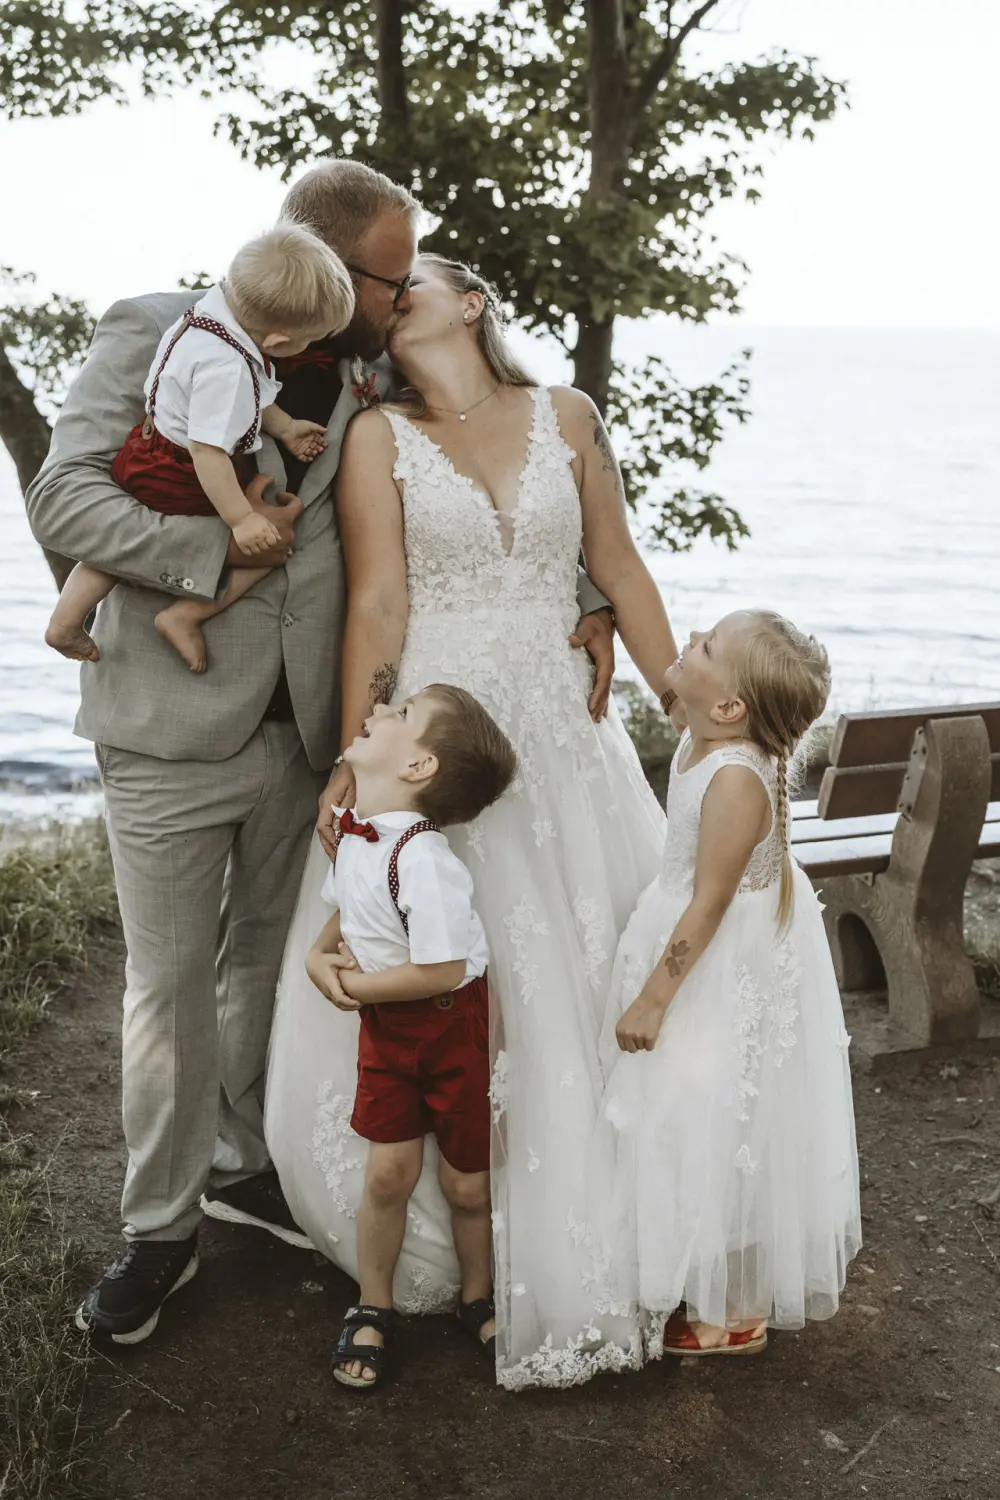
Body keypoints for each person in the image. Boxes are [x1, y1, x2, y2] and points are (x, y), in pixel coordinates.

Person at [25, 159, 616, 1349]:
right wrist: (212, 560)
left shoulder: (367, 362)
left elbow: (493, 442)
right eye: (389, 277)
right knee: (166, 984)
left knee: (261, 962)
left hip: (310, 729)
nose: (403, 300)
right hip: (170, 724)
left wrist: (591, 586)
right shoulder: (153, 330)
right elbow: (64, 500)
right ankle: (159, 1226)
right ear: (330, 261)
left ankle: (244, 1164)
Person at [264, 254, 681, 1390]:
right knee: (431, 950)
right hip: (439, 725)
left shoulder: (567, 413)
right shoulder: (374, 436)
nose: (395, 295)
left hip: (557, 728)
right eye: (383, 288)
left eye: (418, 280)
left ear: (475, 301)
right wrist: (359, 757)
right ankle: (417, 1242)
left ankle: (564, 1204)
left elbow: (618, 565)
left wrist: (690, 712)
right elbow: (380, 599)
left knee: (575, 951)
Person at [587, 610, 861, 1362]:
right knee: (681, 1112)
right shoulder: (704, 732)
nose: (694, 634)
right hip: (687, 930)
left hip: (715, 958)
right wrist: (598, 615)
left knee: (718, 1115)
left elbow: (709, 903)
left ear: (732, 708)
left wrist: (654, 996)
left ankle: (731, 1306)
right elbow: (677, 685)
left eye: (707, 644)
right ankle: (687, 1266)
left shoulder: (736, 776)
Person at [305, 684, 517, 1388]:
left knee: (465, 1181)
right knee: (387, 1173)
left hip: (450, 1025)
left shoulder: (423, 858)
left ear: (419, 768)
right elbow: (344, 908)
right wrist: (317, 954)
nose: (376, 711)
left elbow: (441, 969)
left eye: (399, 716)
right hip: (389, 1033)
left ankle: (476, 1295)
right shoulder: (360, 834)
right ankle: (373, 1304)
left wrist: (355, 987)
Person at [45, 223, 355, 674]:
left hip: (147, 445)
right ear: (278, 343)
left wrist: (285, 428)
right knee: (271, 549)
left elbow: (254, 392)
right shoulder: (225, 368)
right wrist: (242, 520)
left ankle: (65, 619)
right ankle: (185, 614)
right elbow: (208, 451)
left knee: (108, 559)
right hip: (184, 468)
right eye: (309, 340)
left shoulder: (209, 316)